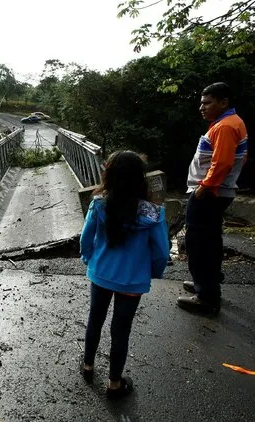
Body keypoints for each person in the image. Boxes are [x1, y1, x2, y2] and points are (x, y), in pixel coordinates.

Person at [80, 151, 170, 399]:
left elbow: (86, 239)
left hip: (100, 274)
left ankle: (88, 365)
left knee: (95, 320)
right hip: (133, 280)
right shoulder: (154, 213)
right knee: (121, 331)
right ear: (140, 178)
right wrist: (153, 272)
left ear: (108, 175)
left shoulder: (99, 204)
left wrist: (89, 259)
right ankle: (114, 383)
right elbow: (162, 251)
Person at [178, 82, 248, 315]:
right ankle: (206, 283)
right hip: (217, 192)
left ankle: (206, 296)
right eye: (201, 102)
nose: (202, 107)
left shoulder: (226, 127)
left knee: (199, 243)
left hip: (209, 193)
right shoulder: (227, 123)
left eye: (207, 102)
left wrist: (205, 186)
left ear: (224, 102)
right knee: (210, 239)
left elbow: (223, 162)